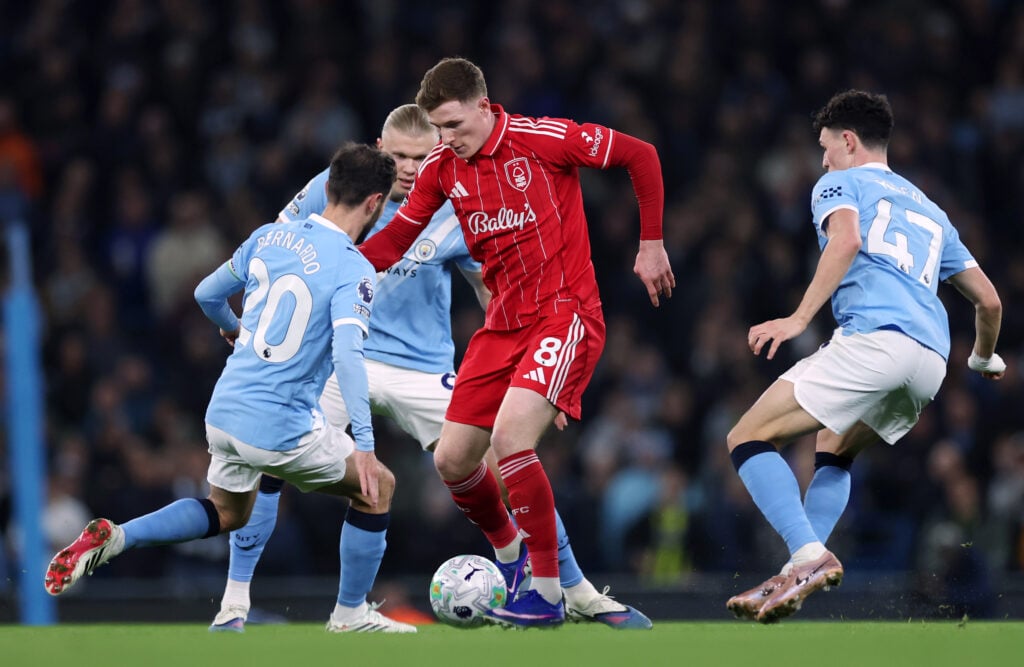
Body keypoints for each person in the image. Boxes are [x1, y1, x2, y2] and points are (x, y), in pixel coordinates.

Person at [210, 104, 653, 631]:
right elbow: (278, 254)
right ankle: (235, 604)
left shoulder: (458, 197)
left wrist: (537, 374)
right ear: (379, 148)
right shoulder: (333, 188)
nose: (410, 167)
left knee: (500, 457)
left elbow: (493, 288)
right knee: (268, 455)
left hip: (422, 366)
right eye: (398, 156)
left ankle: (570, 587)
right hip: (339, 358)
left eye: (423, 157)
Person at [43, 144, 418, 633]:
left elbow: (205, 293)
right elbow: (348, 355)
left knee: (226, 511)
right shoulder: (354, 268)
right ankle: (350, 615)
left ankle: (119, 536)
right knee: (378, 487)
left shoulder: (270, 236)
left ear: (327, 189)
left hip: (224, 412)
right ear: (374, 204)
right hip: (280, 425)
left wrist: (236, 328)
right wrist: (365, 446)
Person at [357, 58, 676, 628]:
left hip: (565, 314)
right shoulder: (442, 169)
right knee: (453, 460)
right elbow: (399, 238)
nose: (446, 140)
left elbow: (640, 155)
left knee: (509, 440)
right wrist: (338, 265)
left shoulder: (542, 139)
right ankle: (513, 561)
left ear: (484, 106)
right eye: (439, 129)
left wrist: (650, 243)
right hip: (502, 325)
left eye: (454, 125)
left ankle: (549, 595)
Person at [723, 90, 1005, 624]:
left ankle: (808, 556)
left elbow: (846, 239)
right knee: (834, 447)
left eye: (827, 147)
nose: (823, 159)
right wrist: (984, 359)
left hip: (876, 340)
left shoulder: (839, 183)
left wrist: (798, 319)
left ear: (848, 141)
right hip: (931, 363)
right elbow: (989, 300)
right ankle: (798, 565)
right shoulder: (931, 208)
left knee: (747, 437)